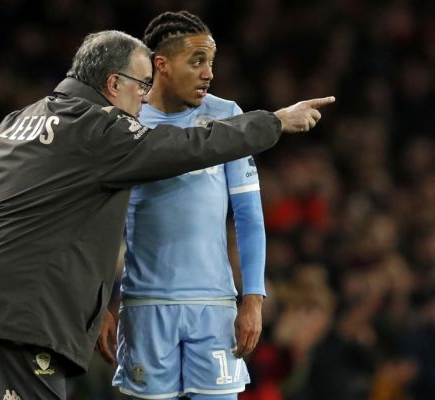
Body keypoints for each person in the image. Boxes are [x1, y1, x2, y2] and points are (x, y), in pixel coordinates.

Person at [0, 29, 334, 400]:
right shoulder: (98, 128)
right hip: (19, 316)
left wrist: (93, 305)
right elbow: (189, 146)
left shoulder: (15, 121)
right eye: (141, 86)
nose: (144, 97)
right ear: (113, 83)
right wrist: (274, 122)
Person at [102, 12, 305, 399]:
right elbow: (101, 220)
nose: (209, 72)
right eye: (197, 61)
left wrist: (253, 299)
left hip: (214, 308)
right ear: (161, 65)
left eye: (211, 61)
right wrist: (99, 306)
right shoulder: (129, 119)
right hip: (144, 306)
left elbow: (248, 216)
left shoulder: (227, 115)